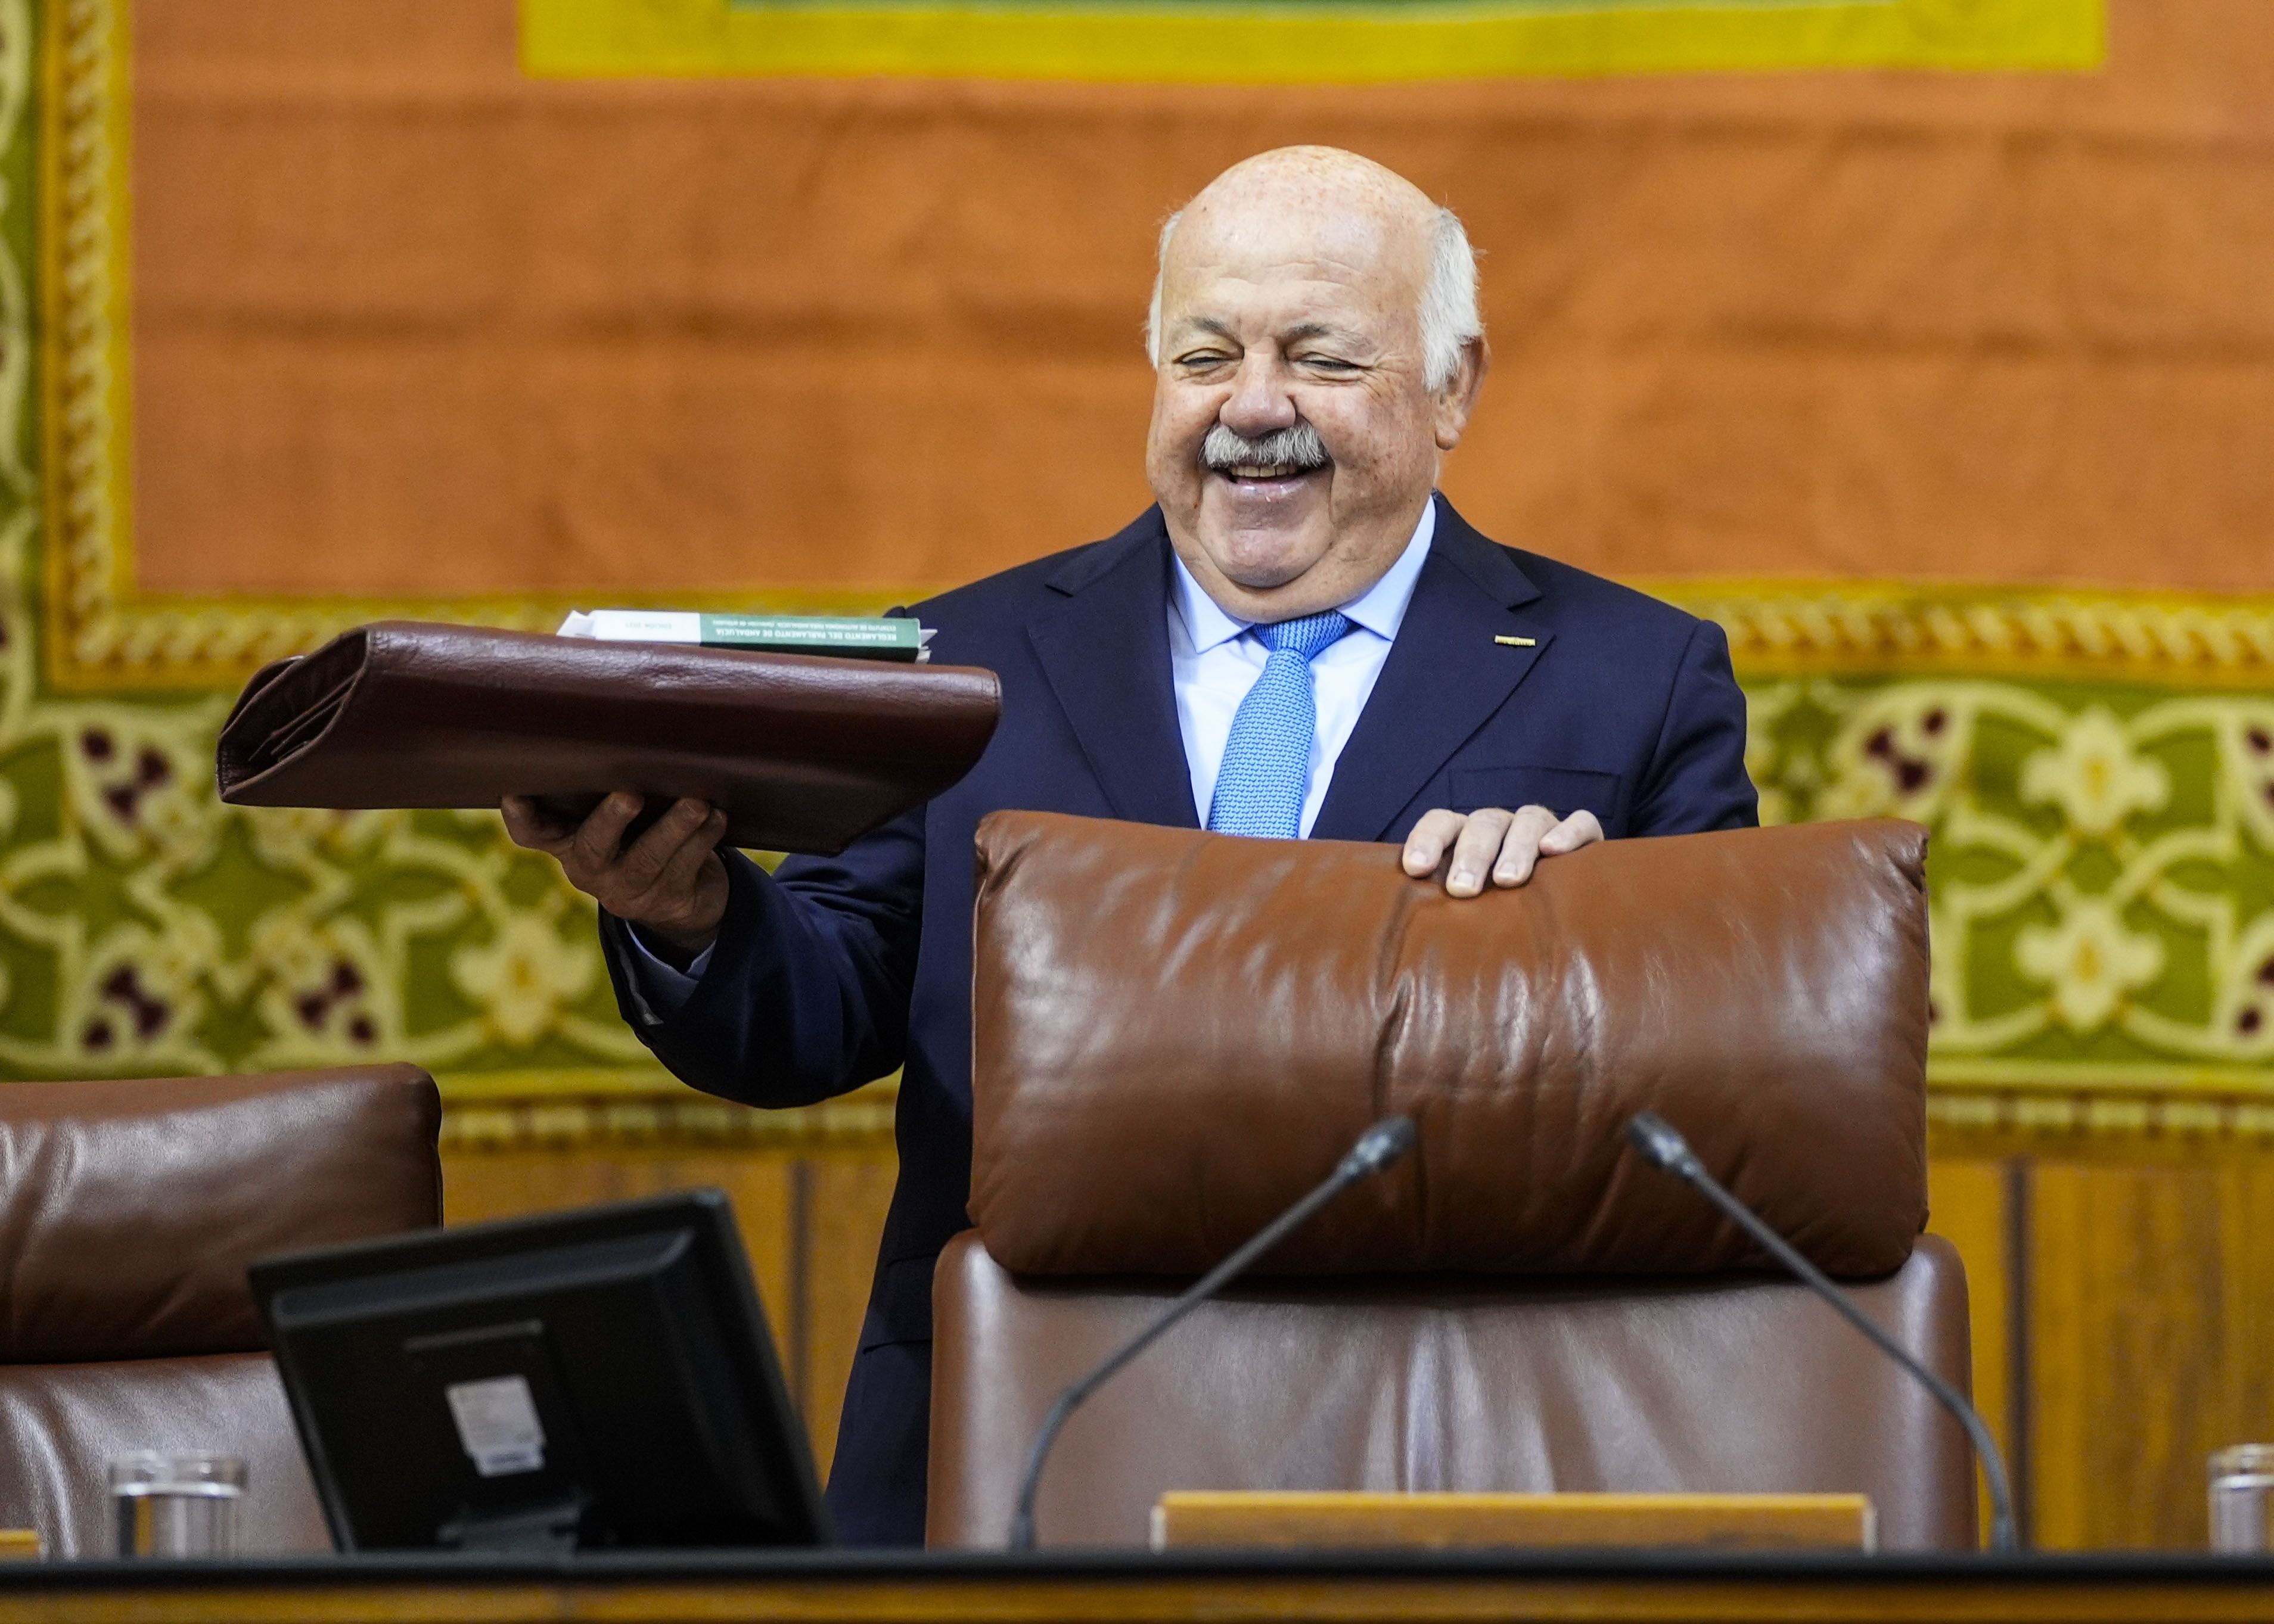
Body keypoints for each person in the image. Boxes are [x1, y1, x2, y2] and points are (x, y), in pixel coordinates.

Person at [505, 145, 1757, 1544]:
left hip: (1449, 1447)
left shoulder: (1634, 677)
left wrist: (1581, 936)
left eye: (1322, 357)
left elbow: (1727, 1110)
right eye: (1205, 352)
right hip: (1012, 1441)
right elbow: (810, 1011)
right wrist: (686, 913)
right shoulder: (966, 659)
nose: (1253, 407)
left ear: (1453, 386)